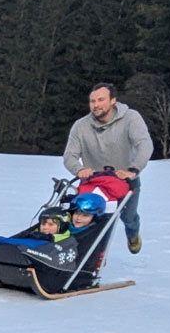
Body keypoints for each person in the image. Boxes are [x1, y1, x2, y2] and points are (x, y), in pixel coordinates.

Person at [63, 82, 152, 253]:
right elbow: (70, 155)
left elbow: (144, 144)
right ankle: (90, 260)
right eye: (92, 101)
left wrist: (133, 169)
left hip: (124, 180)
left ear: (113, 100)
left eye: (100, 100)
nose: (95, 105)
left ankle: (133, 234)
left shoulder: (131, 118)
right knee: (90, 221)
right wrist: (79, 169)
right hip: (93, 183)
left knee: (129, 217)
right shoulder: (80, 126)